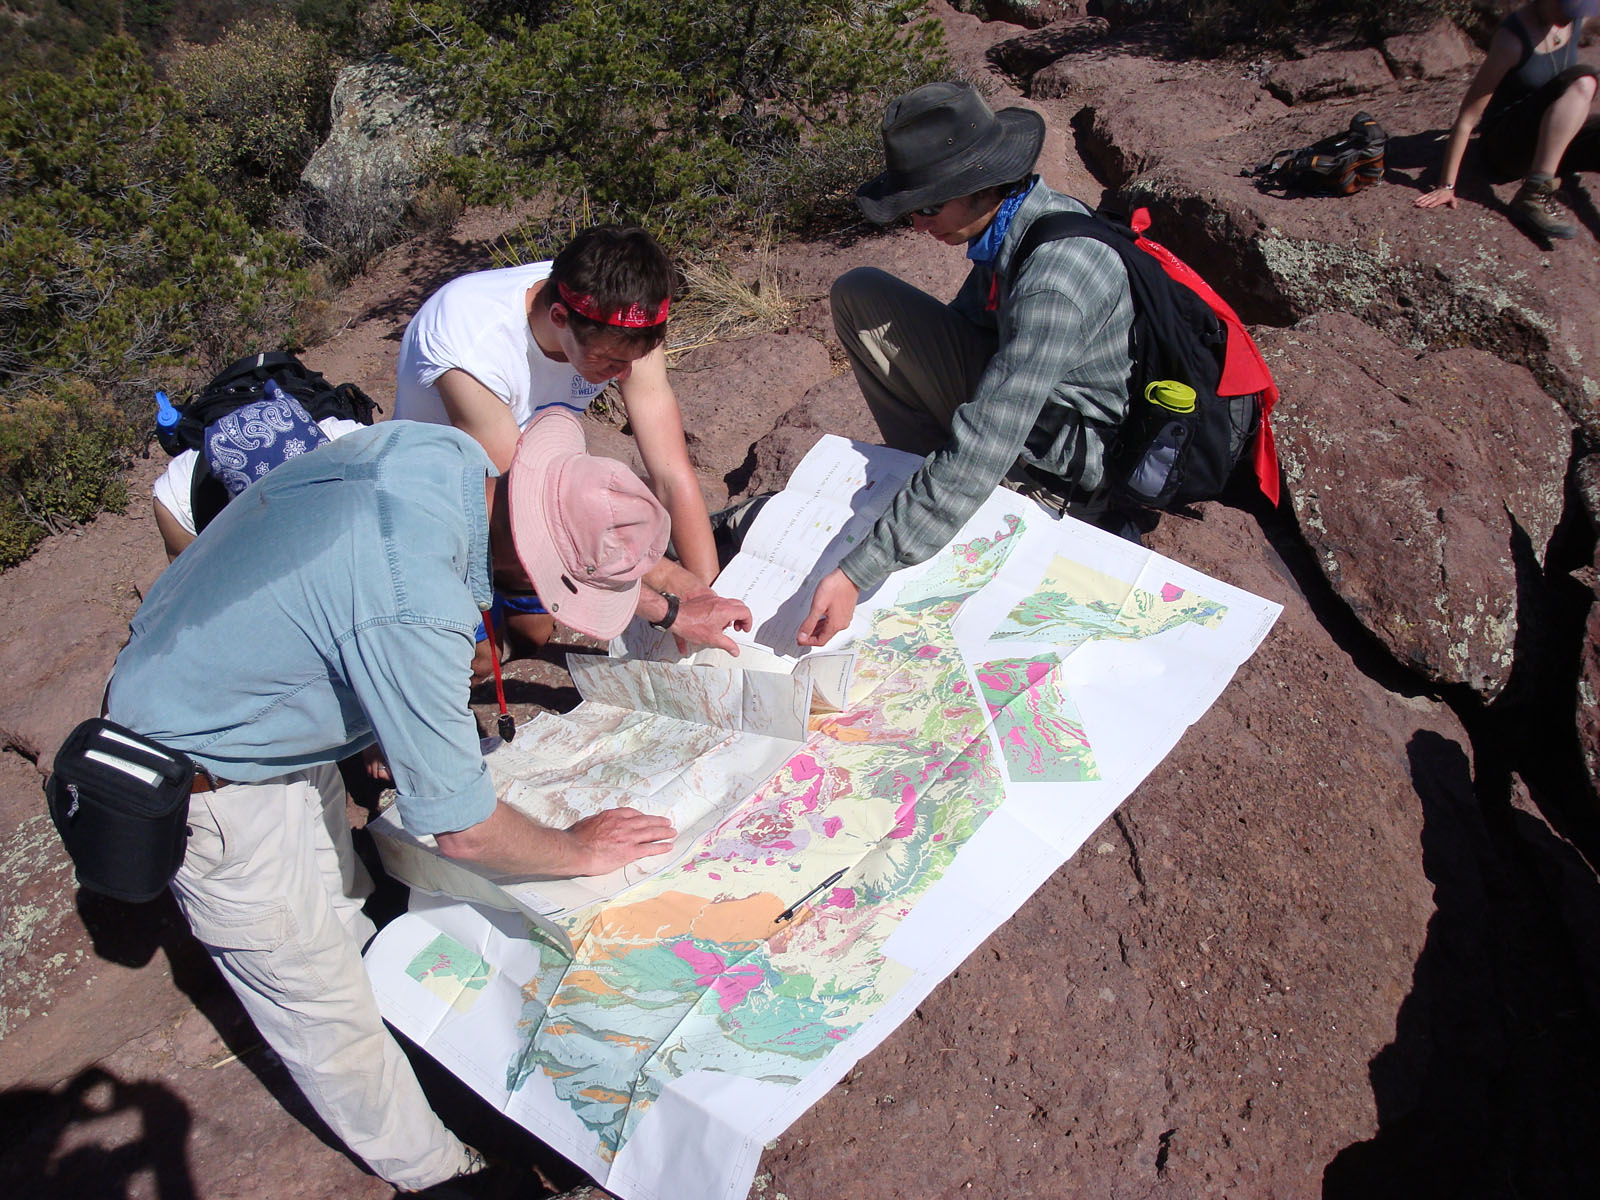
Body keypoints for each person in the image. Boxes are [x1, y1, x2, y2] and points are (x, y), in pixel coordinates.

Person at [104, 410, 751, 1197]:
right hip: (200, 764)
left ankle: (398, 1003)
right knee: (321, 1007)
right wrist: (580, 847)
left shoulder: (446, 456)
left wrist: (672, 607)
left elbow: (528, 546)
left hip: (234, 663)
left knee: (342, 899)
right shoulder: (417, 610)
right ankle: (441, 1176)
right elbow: (467, 832)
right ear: (532, 557)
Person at [797, 82, 1136, 647]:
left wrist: (862, 570)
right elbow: (968, 333)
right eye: (910, 208)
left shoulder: (1056, 277)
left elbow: (989, 430)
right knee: (862, 294)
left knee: (972, 454)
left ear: (983, 185)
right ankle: (928, 486)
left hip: (1071, 460)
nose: (917, 225)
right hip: (1028, 405)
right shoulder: (1011, 226)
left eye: (928, 206)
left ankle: (992, 494)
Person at [396, 224, 719, 663]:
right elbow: (534, 519)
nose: (624, 374)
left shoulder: (620, 312)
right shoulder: (470, 346)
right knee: (470, 662)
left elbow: (669, 472)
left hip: (531, 482)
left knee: (533, 633)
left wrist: (705, 589)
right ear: (560, 318)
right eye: (607, 361)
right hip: (446, 503)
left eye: (632, 361)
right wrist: (668, 598)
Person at [1415, 0, 1599, 240]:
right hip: (1505, 148)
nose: (1569, 18)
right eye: (1566, 10)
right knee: (1584, 80)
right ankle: (1534, 194)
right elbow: (1468, 118)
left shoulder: (1572, 19)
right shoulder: (1512, 40)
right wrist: (1446, 186)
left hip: (1549, 139)